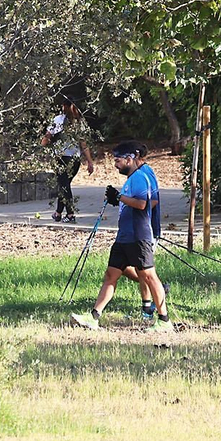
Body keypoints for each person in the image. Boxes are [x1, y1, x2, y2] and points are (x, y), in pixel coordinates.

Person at [70, 140, 170, 332]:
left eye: (118, 160)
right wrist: (118, 201)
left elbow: (143, 204)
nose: (115, 164)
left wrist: (118, 197)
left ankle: (164, 321)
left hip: (139, 236)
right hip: (124, 237)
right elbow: (130, 203)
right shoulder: (131, 179)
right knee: (111, 275)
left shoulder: (140, 177)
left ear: (130, 159)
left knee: (149, 276)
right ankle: (94, 317)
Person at [41, 99, 95, 222]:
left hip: (61, 158)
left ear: (63, 106)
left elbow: (47, 138)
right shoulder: (79, 123)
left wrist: (43, 144)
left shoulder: (58, 120)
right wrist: (90, 161)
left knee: (63, 186)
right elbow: (84, 145)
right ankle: (58, 213)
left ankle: (70, 214)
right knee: (64, 185)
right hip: (75, 159)